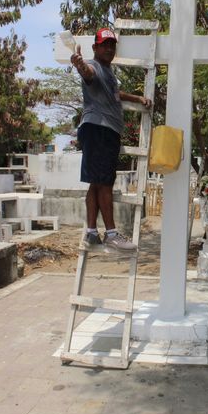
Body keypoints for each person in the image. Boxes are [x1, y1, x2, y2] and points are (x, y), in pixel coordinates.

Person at [70, 27, 152, 251]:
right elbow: (88, 73)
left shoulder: (108, 72)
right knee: (105, 183)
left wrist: (137, 98)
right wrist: (80, 66)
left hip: (100, 130)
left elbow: (115, 94)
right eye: (104, 45)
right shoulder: (94, 66)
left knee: (96, 183)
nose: (108, 49)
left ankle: (91, 233)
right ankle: (111, 234)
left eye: (112, 45)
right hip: (100, 129)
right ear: (95, 48)